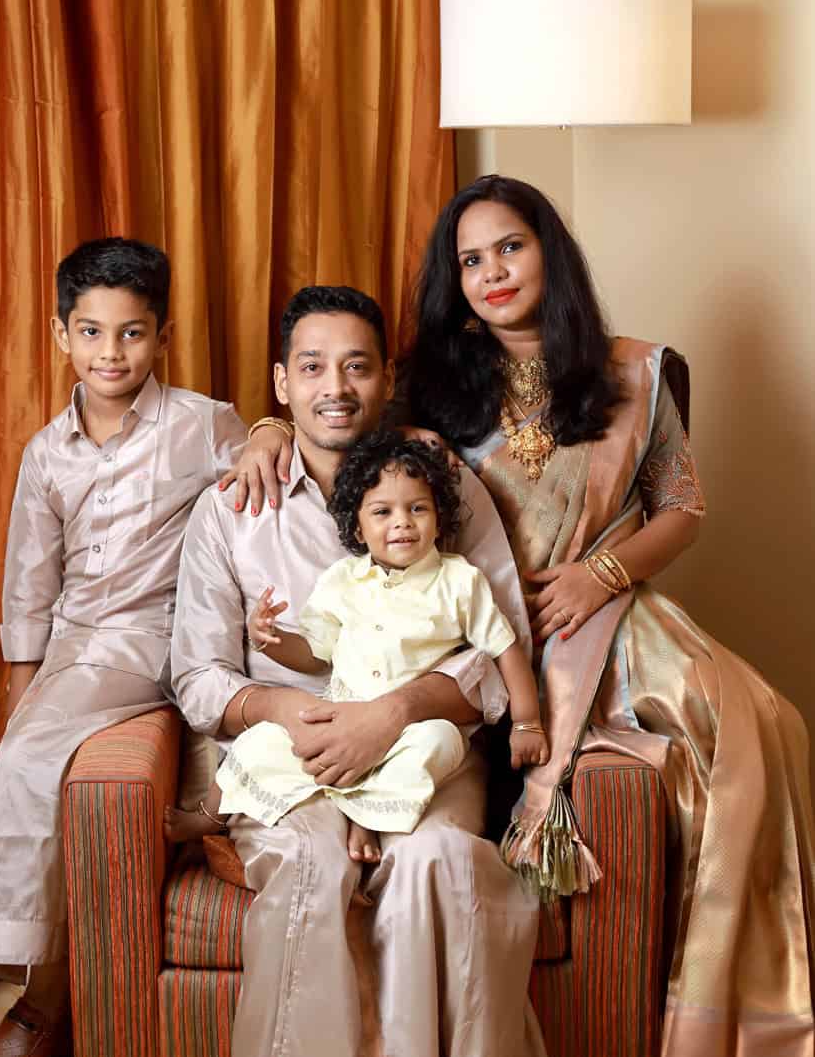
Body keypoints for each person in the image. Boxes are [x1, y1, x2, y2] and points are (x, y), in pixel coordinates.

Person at [236, 176, 815, 1057]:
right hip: (486, 637)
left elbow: (683, 508)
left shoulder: (634, 370)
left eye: (510, 247)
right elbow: (337, 431)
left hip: (611, 617)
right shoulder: (430, 386)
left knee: (763, 727)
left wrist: (601, 573)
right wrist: (261, 434)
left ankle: (739, 1005)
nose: (493, 272)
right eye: (471, 261)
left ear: (550, 248)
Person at [170, 285, 546, 1057]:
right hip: (293, 748)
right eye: (312, 368)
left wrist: (397, 712)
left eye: (356, 367)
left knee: (438, 865)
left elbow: (500, 638)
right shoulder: (235, 506)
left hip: (427, 751)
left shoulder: (439, 480)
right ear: (282, 384)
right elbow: (198, 674)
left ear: (385, 377)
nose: (335, 389)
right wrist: (280, 708)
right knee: (310, 867)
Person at [0, 238, 247, 1057]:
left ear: (161, 336)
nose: (110, 352)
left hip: (161, 631)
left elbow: (274, 481)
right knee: (26, 751)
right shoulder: (46, 453)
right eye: (91, 333)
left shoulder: (202, 423)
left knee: (30, 758)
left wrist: (264, 432)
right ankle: (49, 992)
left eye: (130, 333)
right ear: (61, 336)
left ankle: (35, 1002)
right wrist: (25, 690)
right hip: (75, 645)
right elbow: (28, 583)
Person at [167, 429, 547, 863]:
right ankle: (209, 814)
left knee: (438, 745)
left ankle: (366, 818)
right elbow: (314, 653)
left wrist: (527, 723)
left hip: (410, 729)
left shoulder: (460, 581)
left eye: (418, 509)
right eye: (383, 512)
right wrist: (269, 640)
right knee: (260, 742)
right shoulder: (344, 580)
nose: (402, 522)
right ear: (359, 529)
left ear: (439, 518)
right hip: (340, 716)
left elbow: (505, 650)